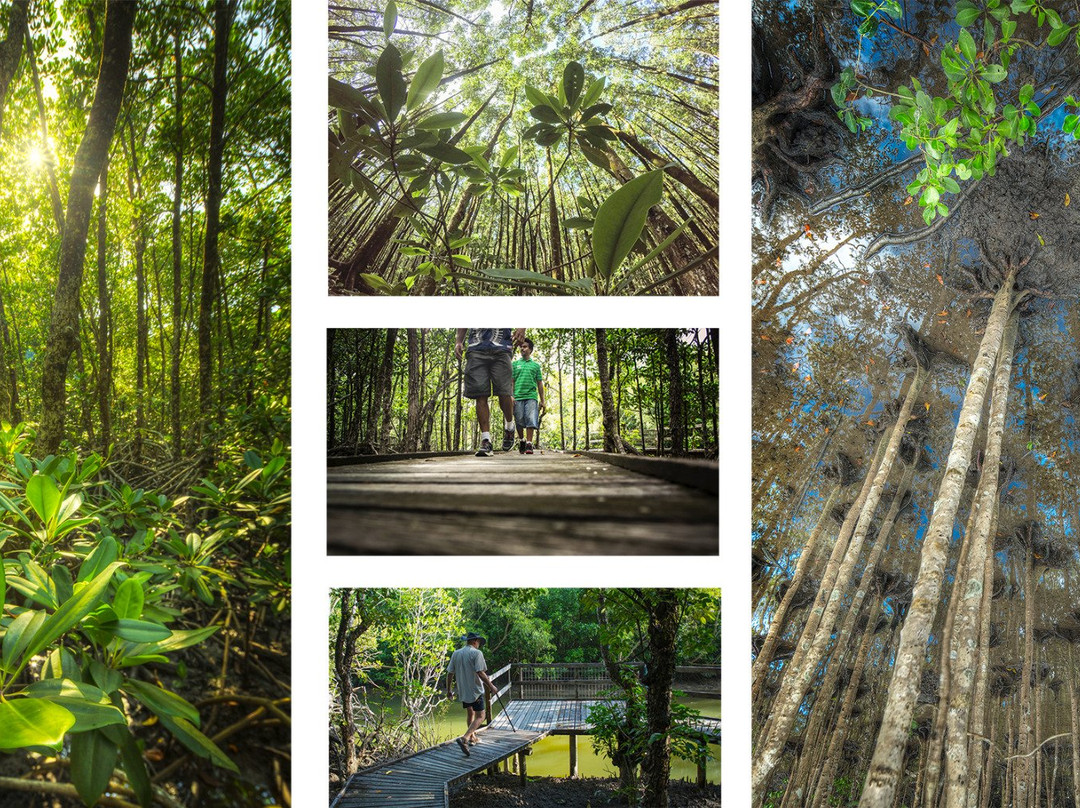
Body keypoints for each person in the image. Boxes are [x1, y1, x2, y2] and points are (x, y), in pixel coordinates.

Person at [455, 328, 526, 456]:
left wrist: (522, 327)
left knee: (504, 393)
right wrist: (459, 341)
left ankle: (510, 426)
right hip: (476, 348)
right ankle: (486, 440)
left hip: (502, 348)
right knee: (480, 395)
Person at [446, 632, 498, 756]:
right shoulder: (476, 653)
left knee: (470, 712)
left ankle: (473, 737)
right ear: (475, 641)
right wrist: (491, 686)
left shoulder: (456, 653)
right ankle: (465, 737)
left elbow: (450, 673)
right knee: (481, 716)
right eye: (479, 642)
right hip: (475, 690)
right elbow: (480, 672)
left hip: (463, 690)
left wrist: (449, 690)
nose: (479, 645)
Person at [512, 338, 545, 454]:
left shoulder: (535, 366)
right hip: (518, 396)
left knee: (531, 419)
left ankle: (529, 444)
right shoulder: (515, 365)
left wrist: (542, 400)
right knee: (519, 420)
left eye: (525, 347)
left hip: (531, 396)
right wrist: (511, 396)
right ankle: (522, 440)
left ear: (530, 350)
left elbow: (539, 383)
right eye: (521, 347)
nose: (522, 348)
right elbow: (512, 381)